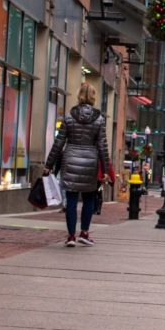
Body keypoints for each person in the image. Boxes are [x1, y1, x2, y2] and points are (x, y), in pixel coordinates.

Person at [44, 82, 112, 247]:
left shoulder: (68, 116)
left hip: (71, 159)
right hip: (90, 161)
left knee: (72, 200)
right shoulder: (99, 119)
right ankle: (84, 232)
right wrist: (105, 169)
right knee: (89, 198)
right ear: (93, 97)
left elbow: (59, 143)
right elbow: (103, 146)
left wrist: (49, 164)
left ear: (79, 95)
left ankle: (70, 236)